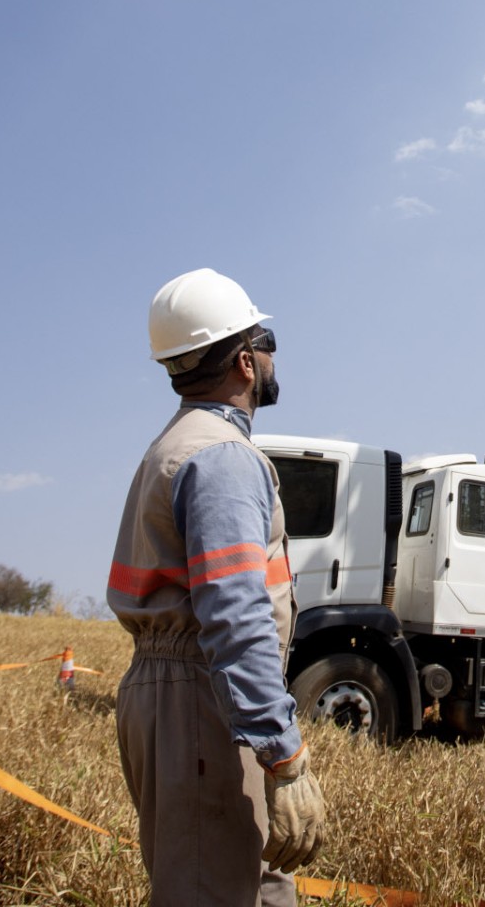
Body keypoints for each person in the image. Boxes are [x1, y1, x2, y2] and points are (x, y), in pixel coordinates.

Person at [109, 267, 324, 906]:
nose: (271, 355)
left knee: (250, 887)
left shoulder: (174, 446)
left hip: (173, 694)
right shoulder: (223, 459)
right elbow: (235, 613)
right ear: (244, 362)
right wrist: (282, 755)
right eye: (268, 342)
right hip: (202, 703)